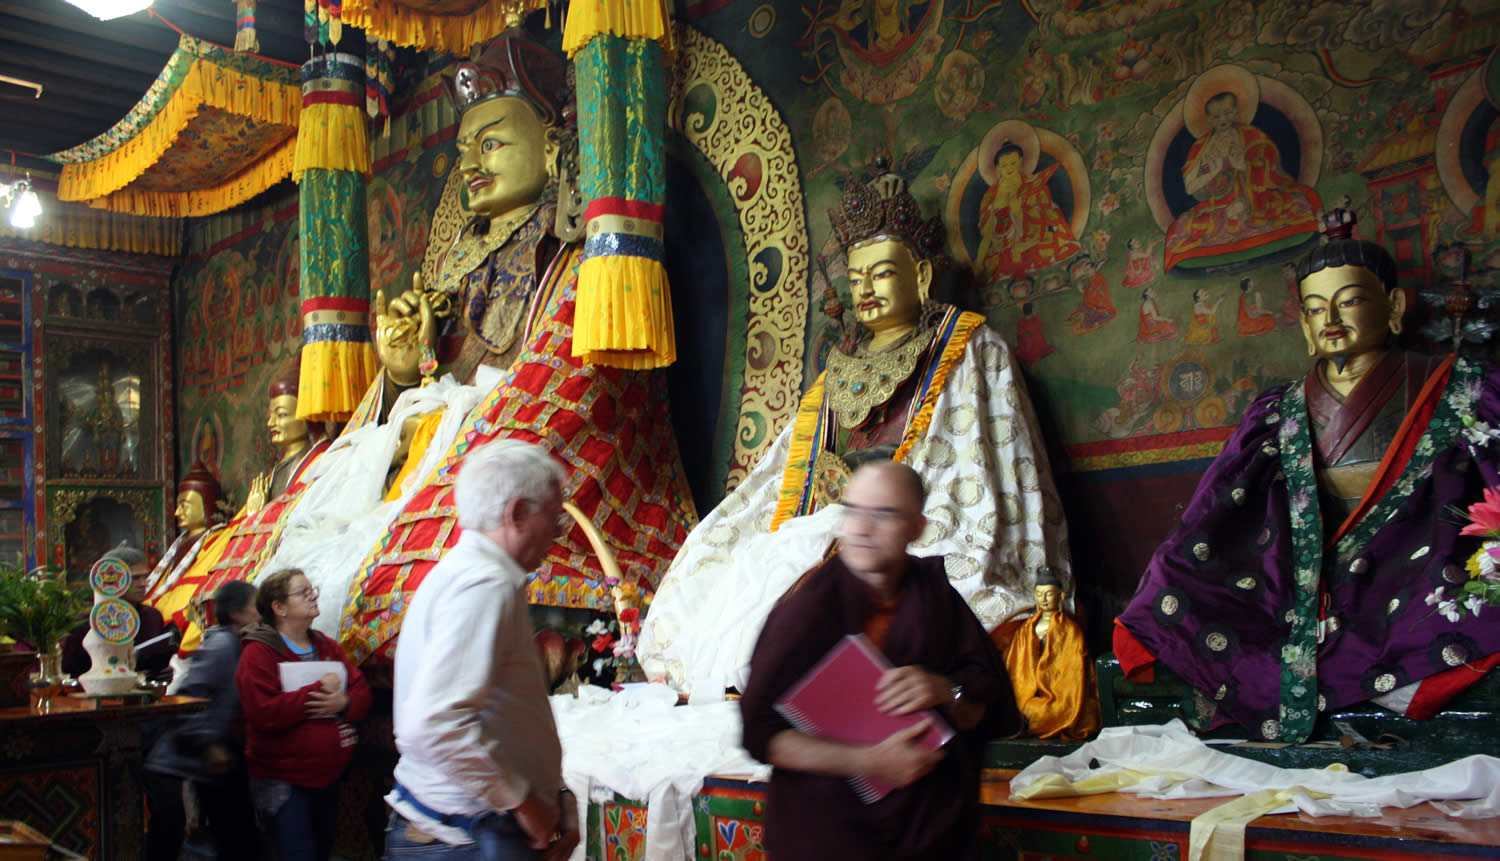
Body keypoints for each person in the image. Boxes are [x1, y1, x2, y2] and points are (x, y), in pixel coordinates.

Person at [639, 164, 1070, 696]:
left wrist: (888, 508)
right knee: (731, 583)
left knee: (937, 599)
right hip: (827, 528)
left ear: (922, 276)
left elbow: (979, 464)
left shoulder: (970, 348)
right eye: (856, 276)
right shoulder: (832, 375)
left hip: (925, 520)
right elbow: (783, 479)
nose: (864, 289)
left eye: (883, 273)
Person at [339, 33, 695, 664]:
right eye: (464, 150)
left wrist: (467, 431)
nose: (471, 163)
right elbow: (422, 394)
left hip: (505, 461)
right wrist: (400, 376)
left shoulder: (589, 264)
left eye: (492, 142)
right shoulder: (449, 276)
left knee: (409, 584)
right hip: (422, 469)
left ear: (554, 146)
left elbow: (567, 396)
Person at [1115, 229, 1500, 742]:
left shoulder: (1460, 386)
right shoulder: (1279, 410)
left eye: (1351, 301)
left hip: (1411, 561)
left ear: (1394, 305)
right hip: (1298, 564)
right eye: (1317, 309)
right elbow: (1220, 501)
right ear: (1304, 324)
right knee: (1177, 573)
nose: (1332, 321)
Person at [739, 462, 1020, 860]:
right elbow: (761, 735)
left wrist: (945, 689)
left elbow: (985, 705)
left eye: (883, 514)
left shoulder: (935, 596)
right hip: (831, 837)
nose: (861, 529)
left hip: (931, 834)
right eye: (852, 511)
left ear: (917, 528)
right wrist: (871, 762)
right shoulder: (807, 609)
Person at [384, 440, 579, 860]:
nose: (560, 531)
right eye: (554, 514)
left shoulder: (467, 573)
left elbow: (500, 712)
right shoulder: (485, 584)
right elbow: (434, 724)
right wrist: (525, 802)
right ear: (517, 514)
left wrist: (552, 789)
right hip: (467, 836)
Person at [236, 568, 372, 861]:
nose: (313, 597)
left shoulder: (326, 646)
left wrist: (344, 702)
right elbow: (264, 713)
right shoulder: (258, 654)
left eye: (313, 591)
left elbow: (362, 694)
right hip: (282, 781)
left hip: (328, 777)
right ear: (279, 607)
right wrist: (318, 691)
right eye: (303, 592)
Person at [144, 581, 261, 861]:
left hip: (205, 760)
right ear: (237, 613)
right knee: (169, 842)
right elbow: (189, 698)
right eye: (256, 606)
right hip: (181, 758)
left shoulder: (235, 643)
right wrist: (209, 744)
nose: (261, 613)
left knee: (234, 834)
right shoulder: (222, 645)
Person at [1162, 90, 1320, 273]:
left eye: (1228, 113)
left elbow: (1270, 167)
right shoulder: (1201, 147)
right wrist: (1212, 170)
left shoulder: (1252, 135)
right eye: (1216, 116)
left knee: (1295, 204)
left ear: (1237, 112)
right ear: (1208, 119)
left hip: (1257, 197)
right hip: (1220, 204)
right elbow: (1191, 188)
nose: (1223, 119)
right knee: (1185, 227)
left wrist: (1244, 165)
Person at [998, 570, 1100, 740]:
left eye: (1049, 594)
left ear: (1060, 597)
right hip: (1032, 695)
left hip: (1065, 696)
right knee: (1024, 711)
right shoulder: (1026, 629)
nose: (1044, 599)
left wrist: (1058, 694)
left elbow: (1076, 673)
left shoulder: (1070, 629)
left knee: (1084, 713)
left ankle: (1038, 723)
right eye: (1040, 594)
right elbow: (1017, 670)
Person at [60, 544, 174, 679]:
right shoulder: (85, 623)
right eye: (135, 578)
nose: (143, 583)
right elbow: (70, 673)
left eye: (145, 576)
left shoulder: (152, 616)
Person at [977, 144, 1080, 281]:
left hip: (1033, 239)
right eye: (1004, 165)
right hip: (1002, 246)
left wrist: (1019, 210)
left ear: (1021, 161)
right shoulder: (991, 196)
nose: (1009, 168)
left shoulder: (1034, 185)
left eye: (1013, 163)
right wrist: (978, 261)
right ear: (997, 169)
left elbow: (1049, 215)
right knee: (993, 265)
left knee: (1040, 249)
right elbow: (987, 232)